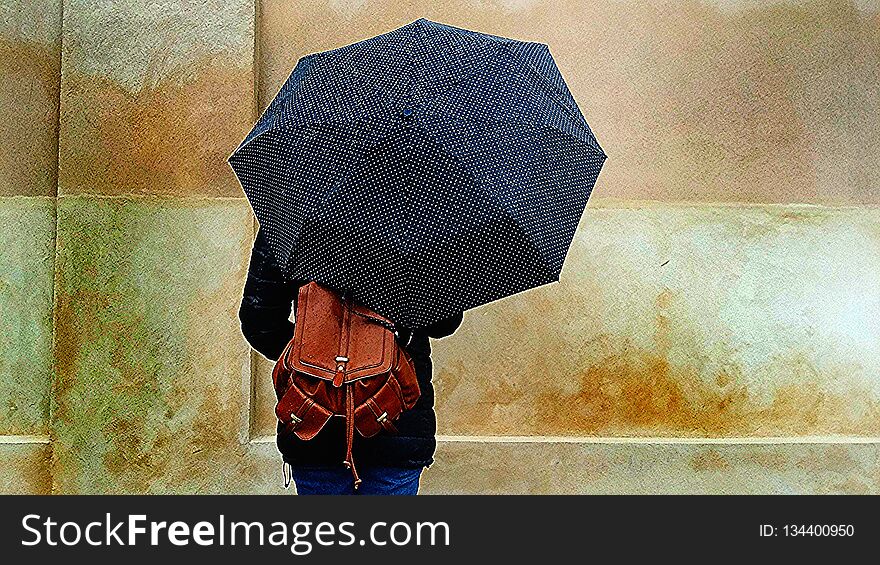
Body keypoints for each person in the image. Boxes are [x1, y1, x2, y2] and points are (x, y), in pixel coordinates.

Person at [238, 229, 463, 495]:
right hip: (397, 418)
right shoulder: (421, 224)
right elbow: (444, 323)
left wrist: (314, 358)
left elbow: (259, 322)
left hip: (314, 416)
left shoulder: (292, 217)